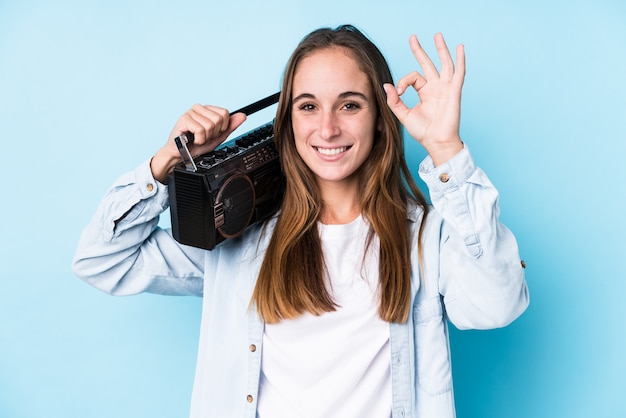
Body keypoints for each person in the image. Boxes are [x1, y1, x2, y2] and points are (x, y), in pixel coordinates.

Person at [72, 24, 529, 418]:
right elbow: (100, 259)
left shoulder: (427, 237)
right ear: (288, 119)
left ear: (380, 118)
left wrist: (448, 150)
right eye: (308, 106)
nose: (327, 128)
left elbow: (496, 305)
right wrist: (168, 159)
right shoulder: (238, 240)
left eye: (349, 105)